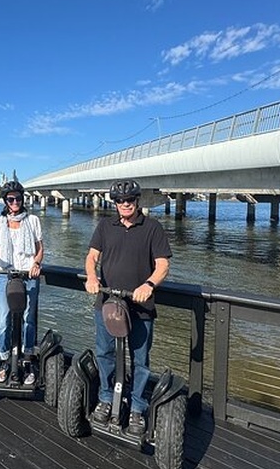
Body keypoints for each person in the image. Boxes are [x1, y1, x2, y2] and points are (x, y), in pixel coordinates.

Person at [84, 179, 171, 436]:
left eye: (129, 200)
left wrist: (149, 284)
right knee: (104, 353)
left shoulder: (152, 228)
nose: (125, 204)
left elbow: (163, 264)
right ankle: (106, 398)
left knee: (141, 360)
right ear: (115, 203)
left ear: (137, 201)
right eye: (120, 201)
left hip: (140, 307)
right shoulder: (105, 226)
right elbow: (92, 256)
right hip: (107, 303)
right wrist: (91, 276)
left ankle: (137, 408)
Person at [0, 180, 44, 385]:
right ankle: (4, 360)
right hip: (4, 275)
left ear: (22, 199)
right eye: (11, 199)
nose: (15, 201)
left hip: (29, 275)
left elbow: (39, 247)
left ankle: (27, 360)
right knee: (3, 320)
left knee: (29, 319)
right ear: (6, 201)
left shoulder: (33, 220)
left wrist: (36, 263)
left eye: (18, 198)